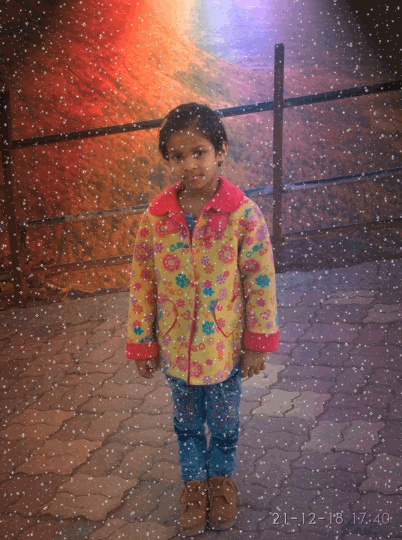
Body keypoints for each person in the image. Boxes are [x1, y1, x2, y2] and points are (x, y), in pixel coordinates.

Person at [126, 102, 280, 536]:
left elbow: (260, 280)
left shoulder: (243, 215)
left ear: (220, 151)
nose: (189, 164)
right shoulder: (155, 219)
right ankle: (193, 486)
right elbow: (143, 282)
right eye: (177, 156)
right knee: (187, 425)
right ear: (167, 159)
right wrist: (143, 342)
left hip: (224, 349)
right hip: (176, 349)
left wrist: (257, 342)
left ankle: (221, 483)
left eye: (199, 152)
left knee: (225, 425)